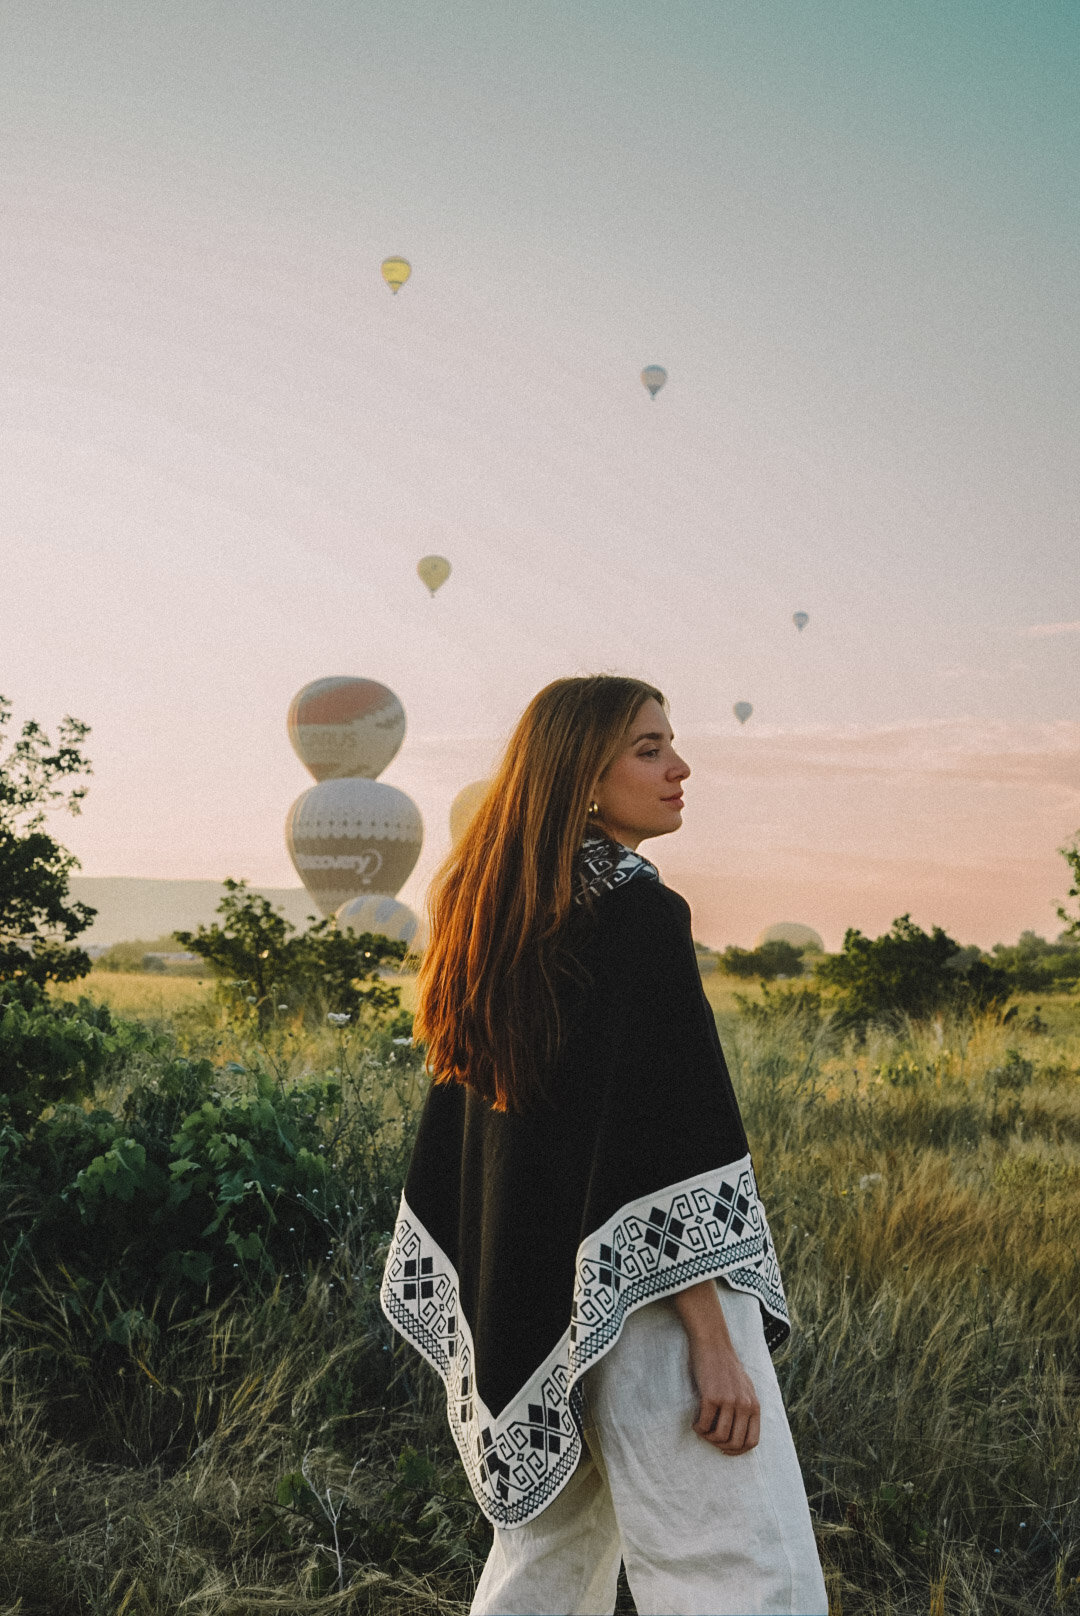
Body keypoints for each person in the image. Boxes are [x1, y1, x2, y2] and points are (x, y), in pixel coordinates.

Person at [380, 675, 829, 1616]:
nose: (680, 767)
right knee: (742, 1564)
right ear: (583, 776)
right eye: (651, 748)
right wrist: (712, 1341)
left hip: (533, 1293)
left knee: (547, 1563)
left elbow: (520, 1145)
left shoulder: (496, 917)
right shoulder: (635, 915)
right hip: (651, 1300)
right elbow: (662, 1139)